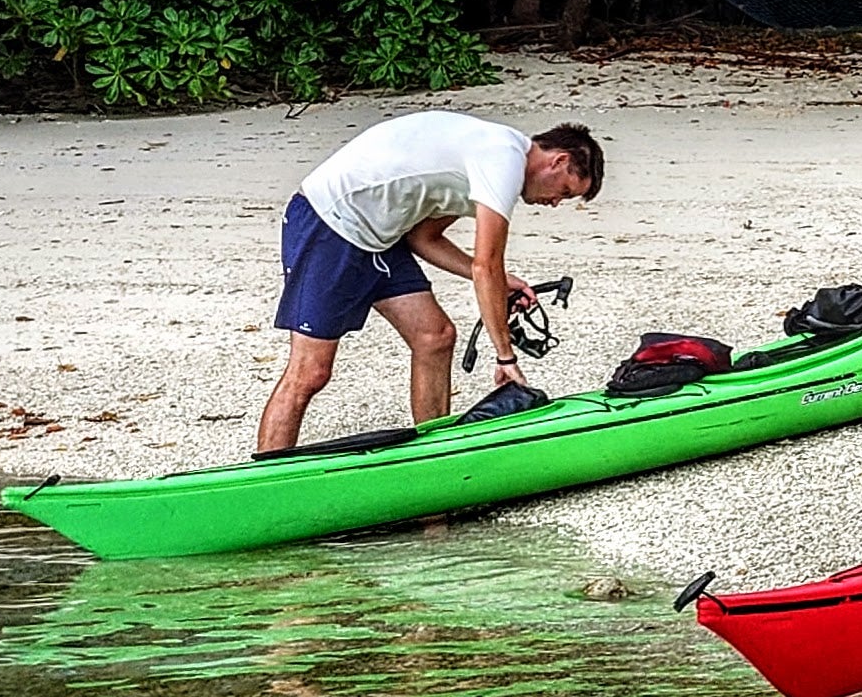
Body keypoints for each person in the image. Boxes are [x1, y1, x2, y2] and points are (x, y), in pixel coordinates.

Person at [259, 113, 605, 452]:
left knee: (435, 337)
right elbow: (488, 266)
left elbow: (424, 239)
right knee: (311, 372)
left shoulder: (491, 161)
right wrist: (504, 358)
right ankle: (266, 479)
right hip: (330, 223)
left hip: (380, 237)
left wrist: (498, 281)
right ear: (558, 161)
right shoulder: (503, 158)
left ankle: (433, 455)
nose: (556, 202)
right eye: (565, 191)